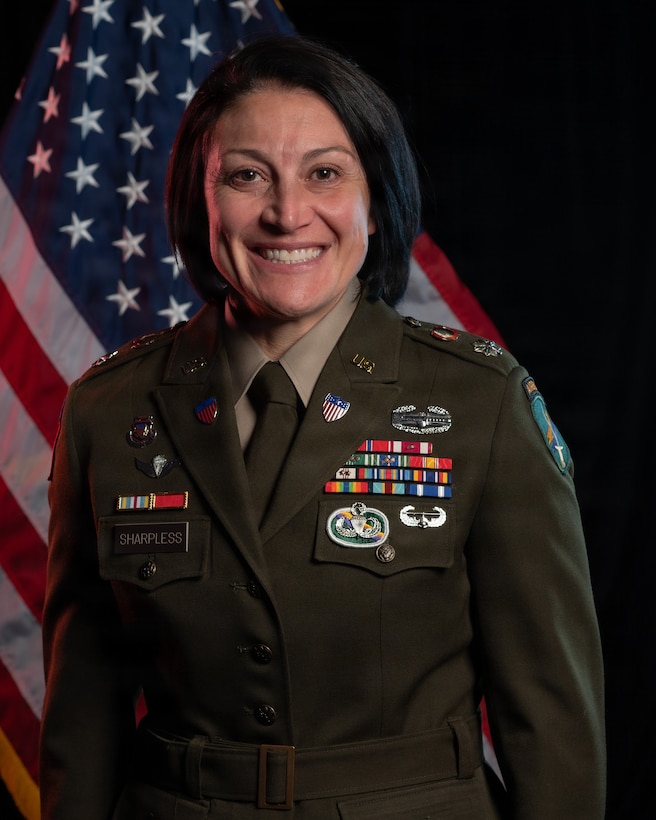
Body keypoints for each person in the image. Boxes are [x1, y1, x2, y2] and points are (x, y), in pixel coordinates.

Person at [40, 35, 606, 819]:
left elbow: (550, 719)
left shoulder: (480, 402)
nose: (286, 213)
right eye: (246, 176)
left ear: (374, 199)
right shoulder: (110, 410)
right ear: (199, 201)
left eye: (325, 173)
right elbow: (82, 715)